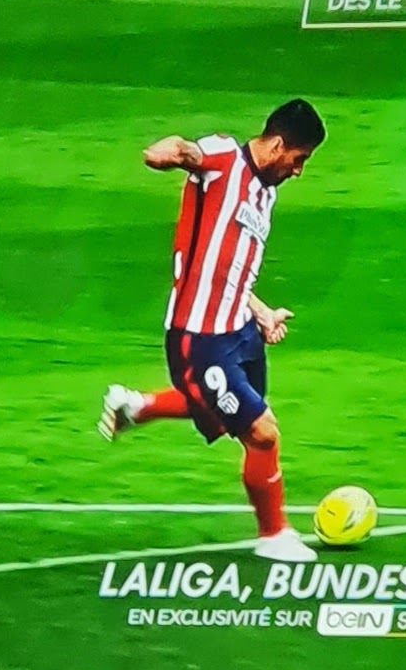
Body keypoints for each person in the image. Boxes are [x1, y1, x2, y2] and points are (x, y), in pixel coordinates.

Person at [98, 100, 328, 564]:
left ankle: (137, 406)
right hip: (200, 337)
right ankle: (273, 534)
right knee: (261, 432)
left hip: (239, 328)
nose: (299, 171)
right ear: (277, 145)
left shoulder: (265, 194)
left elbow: (229, 266)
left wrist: (261, 313)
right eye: (298, 158)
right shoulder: (223, 159)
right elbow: (186, 151)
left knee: (228, 416)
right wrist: (163, 153)